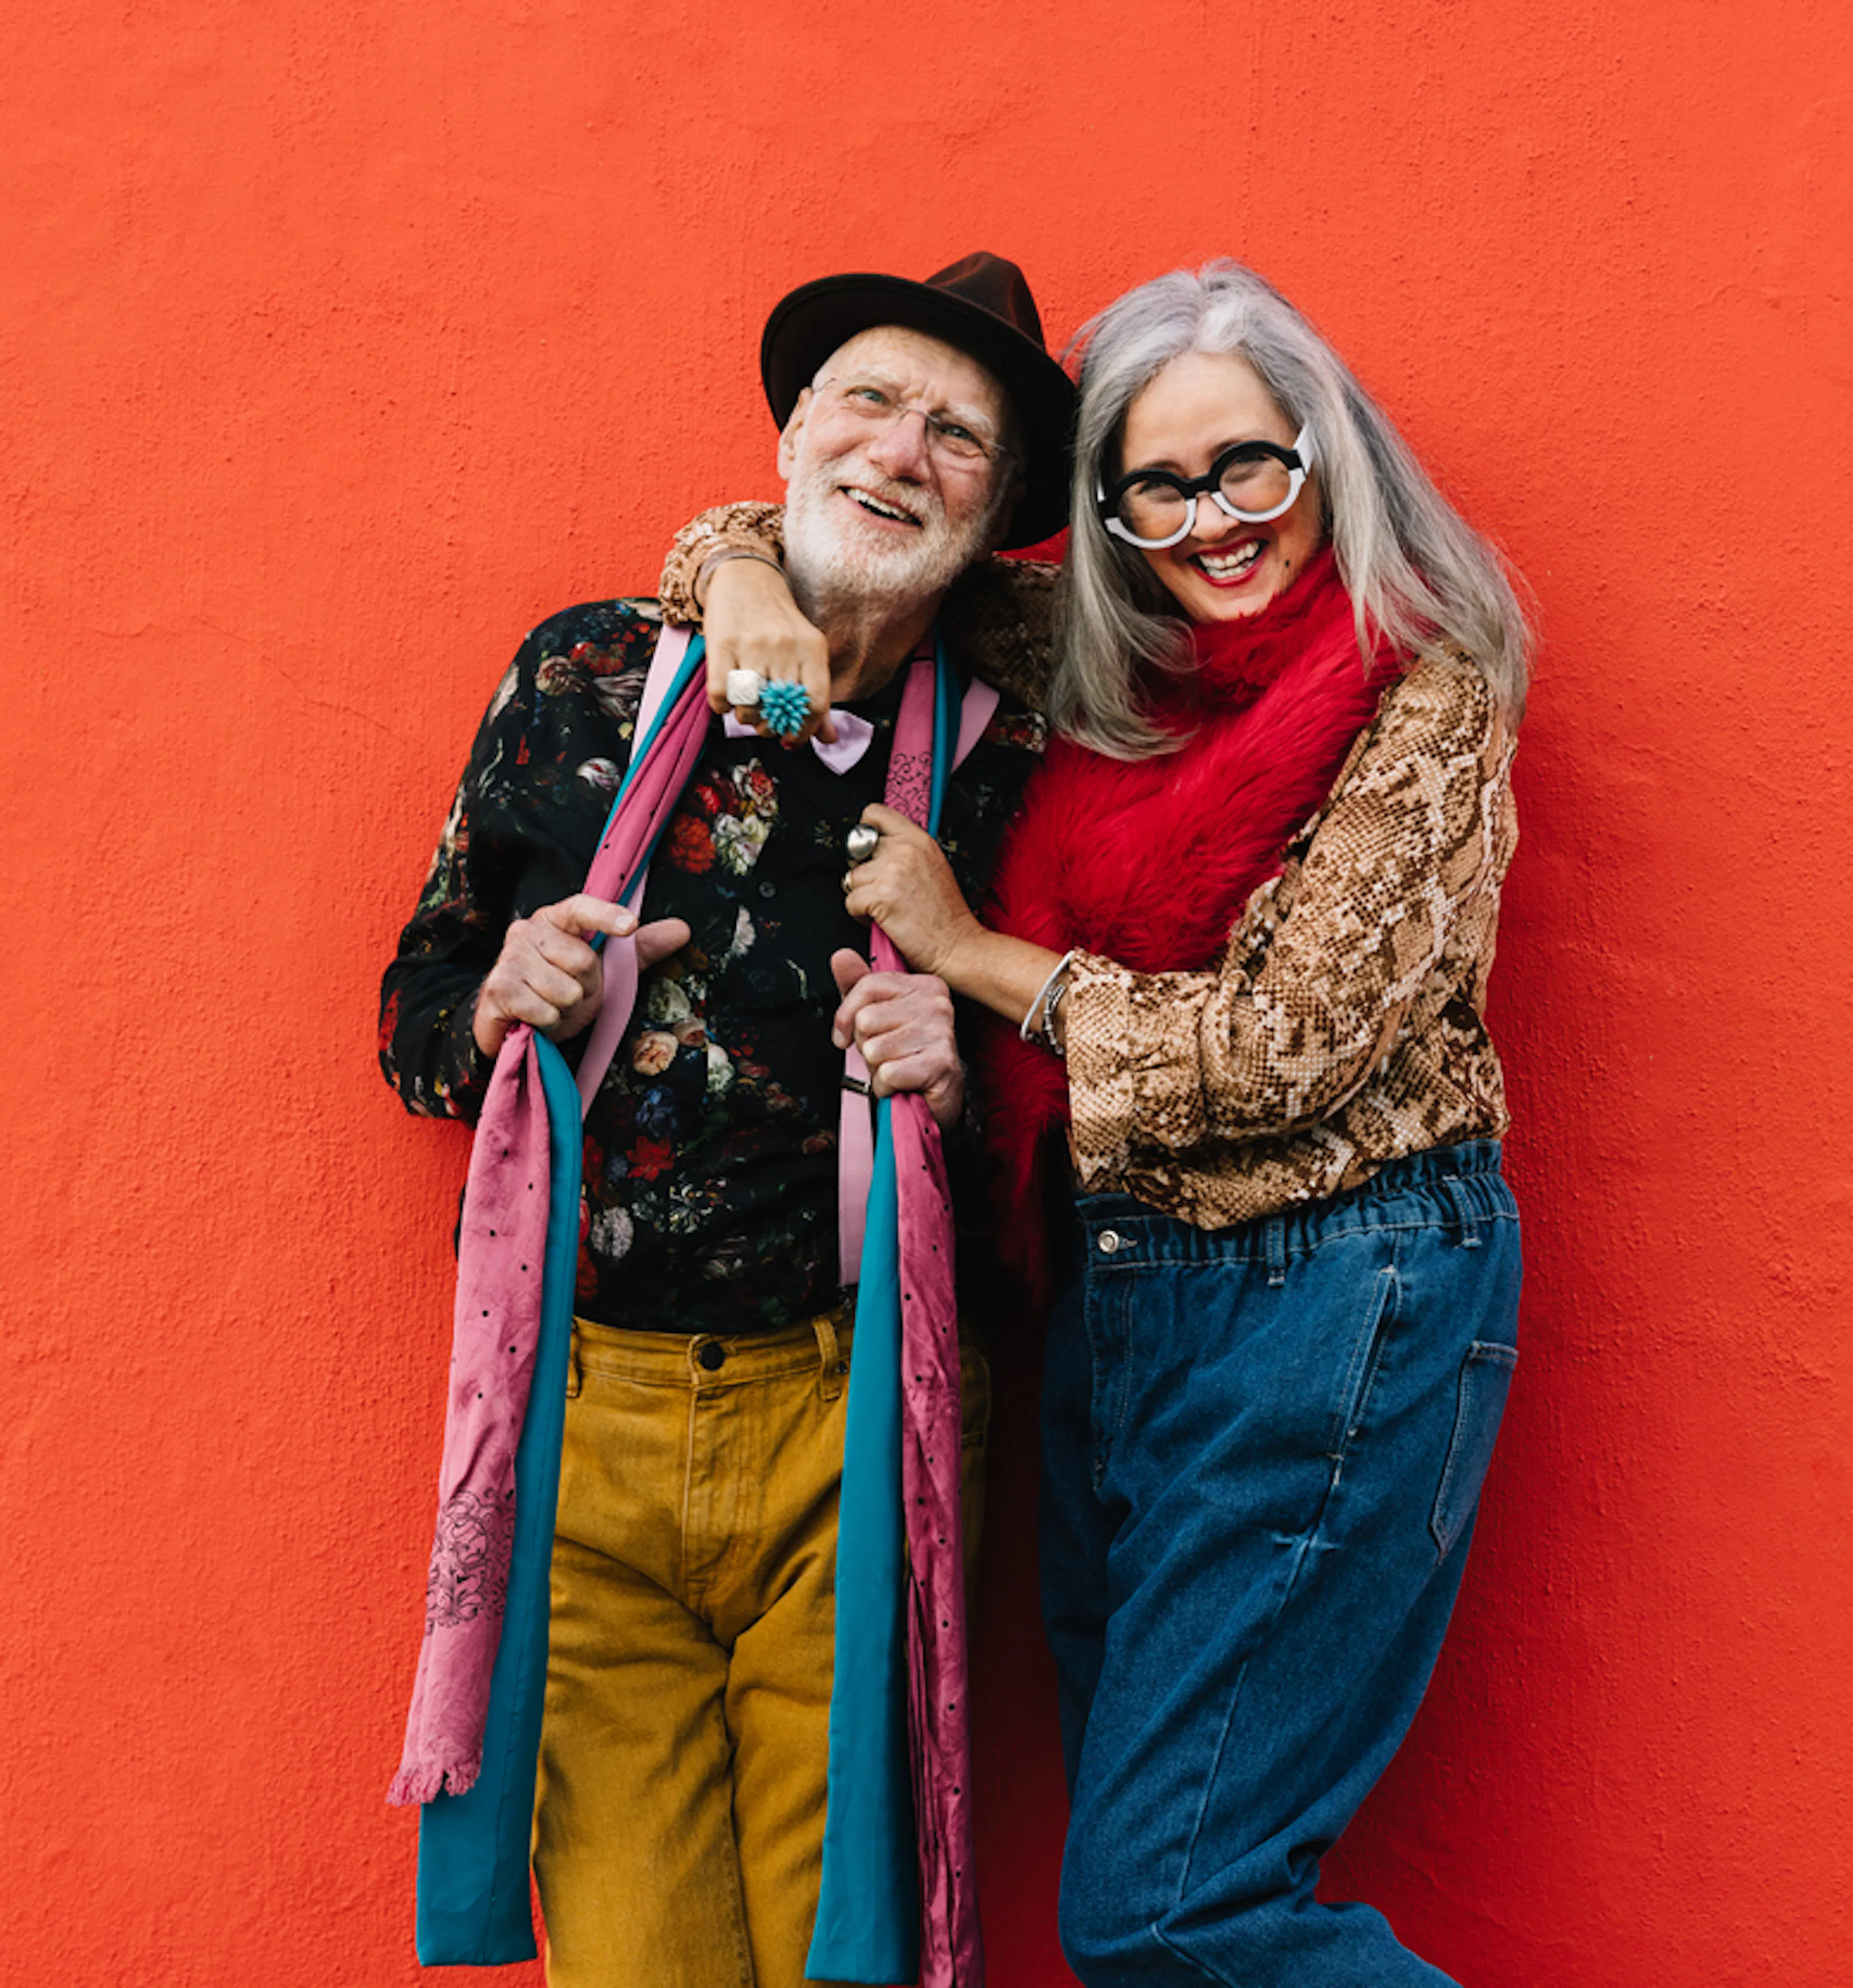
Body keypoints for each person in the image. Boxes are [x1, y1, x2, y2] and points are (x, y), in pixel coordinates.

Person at [677, 259, 1530, 1987]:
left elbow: (1289, 1046)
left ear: (1326, 458)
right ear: (1107, 506)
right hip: (1116, 1309)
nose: (1214, 521)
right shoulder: (1095, 652)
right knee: (1157, 1869)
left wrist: (974, 953)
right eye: (1161, 481)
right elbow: (843, 553)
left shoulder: (1423, 694)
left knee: (1165, 1910)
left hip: (1334, 1295)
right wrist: (740, 582)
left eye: (1251, 468)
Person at [379, 252, 1076, 1988]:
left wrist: (962, 1050)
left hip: (863, 1419)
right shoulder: (592, 678)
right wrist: (500, 997)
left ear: (997, 520)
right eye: (866, 401)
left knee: (855, 1949)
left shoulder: (1022, 758)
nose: (900, 452)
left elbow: (1081, 1131)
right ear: (785, 434)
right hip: (589, 1422)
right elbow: (414, 1006)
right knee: (634, 1958)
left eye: (957, 436)